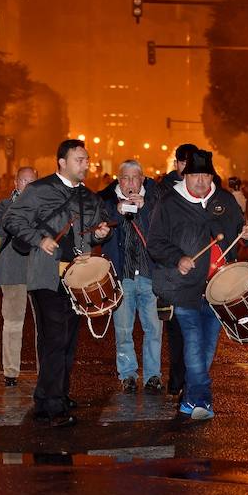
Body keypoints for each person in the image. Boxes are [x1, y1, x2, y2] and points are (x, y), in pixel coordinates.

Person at [4, 139, 111, 428]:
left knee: (68, 341)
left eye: (87, 159)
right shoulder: (40, 190)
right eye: (79, 159)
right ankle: (48, 406)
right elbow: (12, 219)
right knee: (53, 339)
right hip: (46, 276)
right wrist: (40, 239)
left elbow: (97, 230)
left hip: (79, 279)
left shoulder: (90, 197)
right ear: (61, 162)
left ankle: (59, 395)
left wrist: (100, 234)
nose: (85, 164)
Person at [148, 149, 248, 421]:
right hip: (185, 287)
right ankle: (202, 400)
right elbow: (155, 243)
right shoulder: (170, 202)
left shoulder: (224, 200)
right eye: (196, 176)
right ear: (186, 175)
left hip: (219, 287)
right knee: (193, 344)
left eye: (206, 176)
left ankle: (190, 399)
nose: (202, 182)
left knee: (207, 348)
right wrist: (177, 258)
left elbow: (241, 234)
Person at [101, 160, 163, 393]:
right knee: (124, 330)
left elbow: (161, 235)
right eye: (125, 178)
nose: (129, 183)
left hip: (149, 275)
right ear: (118, 180)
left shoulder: (155, 201)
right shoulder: (108, 203)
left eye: (134, 178)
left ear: (142, 179)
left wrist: (145, 208)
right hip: (122, 276)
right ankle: (127, 374)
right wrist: (114, 213)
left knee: (153, 330)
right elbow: (99, 236)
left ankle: (153, 375)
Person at [0, 166, 38, 387]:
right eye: (23, 180)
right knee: (12, 322)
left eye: (32, 181)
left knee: (45, 325)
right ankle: (10, 371)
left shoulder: (45, 205)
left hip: (40, 271)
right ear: (16, 183)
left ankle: (44, 371)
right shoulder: (5, 204)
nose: (27, 185)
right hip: (12, 270)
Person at [156, 143, 196, 399]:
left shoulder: (205, 189)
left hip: (197, 271)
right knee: (176, 330)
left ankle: (190, 382)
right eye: (184, 163)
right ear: (177, 164)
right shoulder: (163, 190)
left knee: (195, 329)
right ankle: (177, 380)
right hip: (170, 270)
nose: (188, 168)